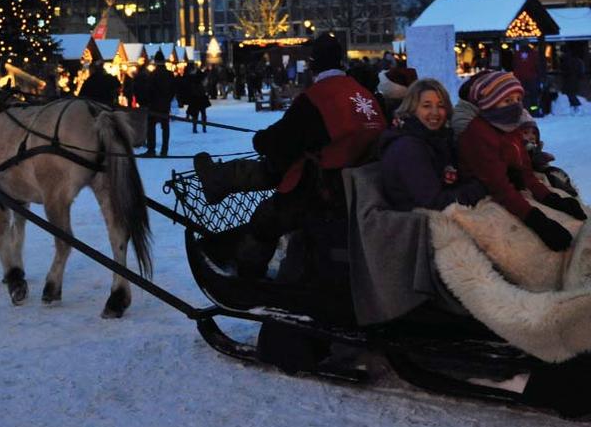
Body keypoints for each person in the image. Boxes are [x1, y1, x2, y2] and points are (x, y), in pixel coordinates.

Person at [194, 32, 386, 278]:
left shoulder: (317, 97)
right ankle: (222, 180)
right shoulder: (362, 93)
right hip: (359, 183)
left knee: (265, 219)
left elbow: (280, 141)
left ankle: (248, 278)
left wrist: (260, 139)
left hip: (324, 191)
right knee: (281, 167)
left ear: (313, 64)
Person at [454, 70, 586, 252]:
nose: (515, 106)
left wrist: (551, 198)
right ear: (490, 103)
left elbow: (526, 171)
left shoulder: (510, 126)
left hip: (510, 189)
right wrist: (537, 220)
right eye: (507, 101)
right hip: (482, 196)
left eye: (518, 100)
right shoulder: (478, 134)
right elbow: (499, 187)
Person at [380, 78, 486, 211]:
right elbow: (433, 202)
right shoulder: (408, 147)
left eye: (440, 106)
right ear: (412, 109)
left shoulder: (438, 138)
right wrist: (481, 188)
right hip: (418, 221)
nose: (435, 112)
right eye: (426, 106)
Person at [140, 51, 176, 157]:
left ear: (155, 61)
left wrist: (148, 101)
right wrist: (168, 99)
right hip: (165, 104)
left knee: (151, 127)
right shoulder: (169, 74)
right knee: (165, 128)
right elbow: (173, 89)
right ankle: (164, 150)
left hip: (153, 105)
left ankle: (151, 149)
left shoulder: (153, 74)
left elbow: (149, 90)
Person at [181, 64, 210, 132]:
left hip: (195, 96)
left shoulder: (190, 76)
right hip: (199, 95)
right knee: (200, 113)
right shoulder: (195, 76)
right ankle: (201, 127)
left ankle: (197, 128)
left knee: (196, 113)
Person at [560, 46, 585, 114]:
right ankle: (575, 107)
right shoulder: (576, 60)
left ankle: (577, 106)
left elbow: (566, 69)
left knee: (570, 94)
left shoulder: (566, 59)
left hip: (570, 79)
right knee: (571, 93)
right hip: (573, 79)